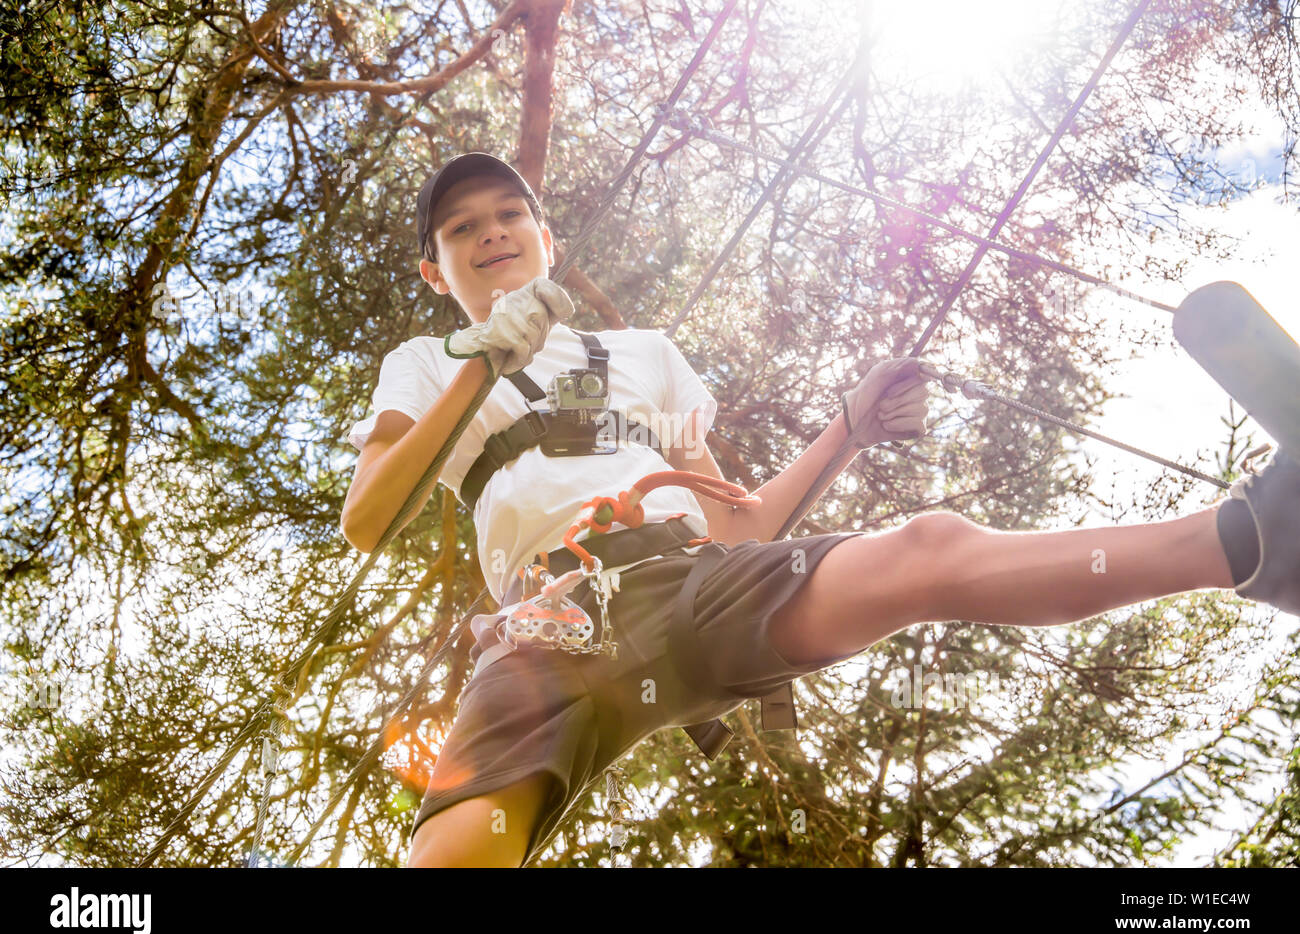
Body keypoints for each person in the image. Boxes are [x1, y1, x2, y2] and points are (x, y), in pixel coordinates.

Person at [342, 151, 1299, 868]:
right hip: (544, 634)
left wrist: (848, 427)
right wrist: (479, 372)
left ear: (548, 239)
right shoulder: (426, 366)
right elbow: (370, 519)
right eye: (462, 229)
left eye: (511, 213)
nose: (492, 232)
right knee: (457, 853)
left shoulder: (641, 357)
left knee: (926, 548)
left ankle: (1257, 539)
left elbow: (743, 524)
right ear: (436, 270)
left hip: (689, 585)